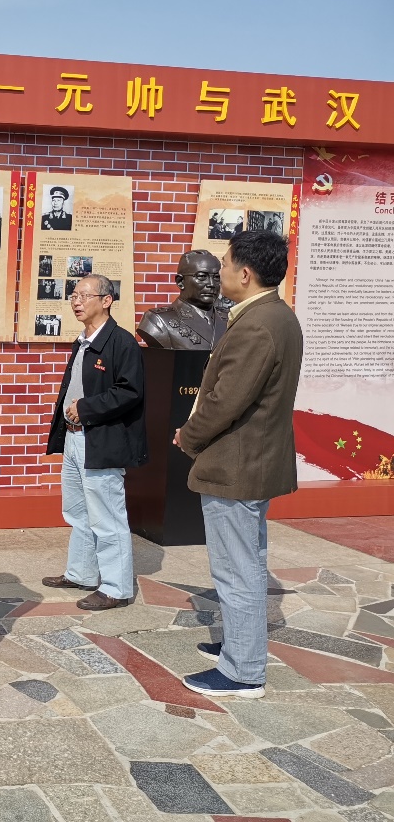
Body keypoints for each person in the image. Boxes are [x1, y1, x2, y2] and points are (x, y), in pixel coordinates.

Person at [176, 230, 302, 699]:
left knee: (237, 570)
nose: (220, 273)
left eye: (226, 264)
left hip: (237, 465)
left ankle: (243, 671)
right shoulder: (275, 316)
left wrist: (188, 436)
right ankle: (239, 644)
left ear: (245, 273)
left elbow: (225, 401)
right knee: (246, 561)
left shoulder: (257, 326)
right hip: (254, 461)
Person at [43, 274, 147, 611]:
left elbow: (130, 392)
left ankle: (116, 588)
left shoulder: (121, 342)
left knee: (107, 516)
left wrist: (85, 409)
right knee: (76, 511)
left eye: (84, 296)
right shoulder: (83, 341)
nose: (76, 302)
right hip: (75, 439)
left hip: (101, 440)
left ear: (106, 300)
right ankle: (82, 572)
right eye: (74, 295)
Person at [137, 250, 228, 349]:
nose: (211, 284)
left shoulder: (230, 317)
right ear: (180, 282)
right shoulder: (157, 320)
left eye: (216, 277)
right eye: (202, 276)